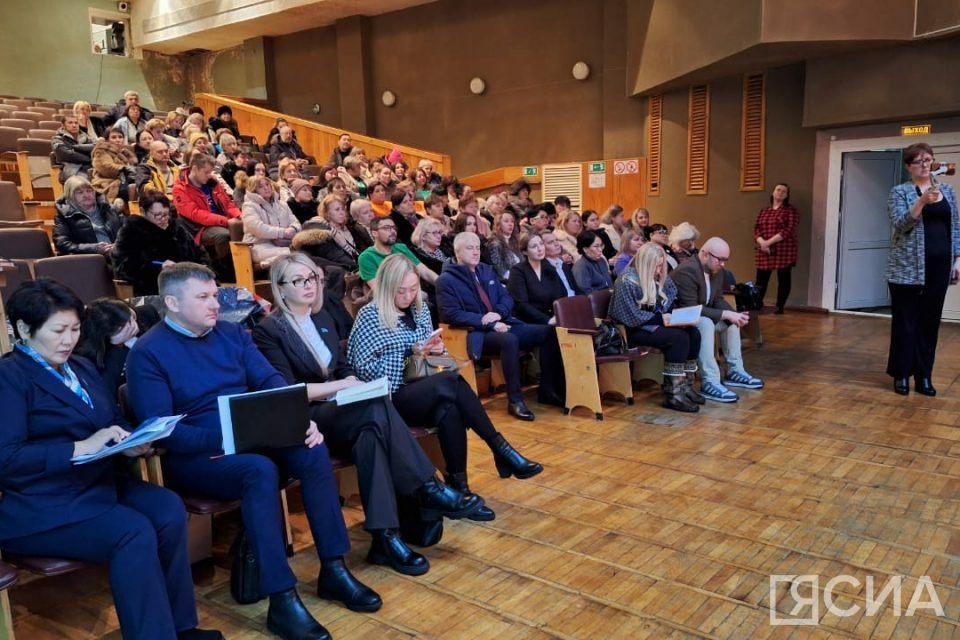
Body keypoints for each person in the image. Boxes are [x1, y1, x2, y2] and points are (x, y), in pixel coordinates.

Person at [126, 263, 378, 639]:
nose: (216, 304)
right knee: (258, 471)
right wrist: (234, 436)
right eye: (204, 297)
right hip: (198, 454)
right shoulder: (148, 353)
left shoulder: (231, 333)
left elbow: (269, 381)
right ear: (173, 303)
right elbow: (166, 432)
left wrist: (296, 419)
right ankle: (282, 597)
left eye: (215, 295)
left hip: (254, 433)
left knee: (312, 449)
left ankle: (334, 568)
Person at [0, 279, 222, 640]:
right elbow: (6, 457)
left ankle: (181, 627)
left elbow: (111, 420)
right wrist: (81, 447)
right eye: (58, 331)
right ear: (25, 329)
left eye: (75, 329)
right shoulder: (8, 377)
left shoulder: (81, 367)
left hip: (96, 483)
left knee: (167, 508)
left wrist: (130, 440)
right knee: (131, 532)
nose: (69, 340)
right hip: (42, 504)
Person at [252, 254, 484, 573]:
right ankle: (427, 487)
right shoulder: (270, 330)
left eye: (312, 278)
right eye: (298, 280)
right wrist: (343, 386)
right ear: (280, 288)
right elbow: (287, 391)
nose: (309, 285)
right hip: (308, 417)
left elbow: (344, 366)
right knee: (375, 406)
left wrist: (357, 384)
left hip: (345, 409)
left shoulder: (323, 316)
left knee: (371, 435)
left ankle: (385, 538)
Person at [347, 254, 542, 516]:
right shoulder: (370, 315)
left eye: (413, 288)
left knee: (450, 409)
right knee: (450, 382)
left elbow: (433, 362)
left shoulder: (420, 310)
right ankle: (500, 449)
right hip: (388, 399)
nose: (407, 296)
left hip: (422, 387)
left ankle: (461, 491)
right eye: (400, 291)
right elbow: (364, 371)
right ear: (385, 287)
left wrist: (436, 351)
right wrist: (413, 353)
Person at [436, 232, 565, 420]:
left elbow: (506, 297)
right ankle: (515, 401)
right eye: (470, 248)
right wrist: (487, 321)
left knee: (548, 332)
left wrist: (498, 314)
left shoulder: (486, 270)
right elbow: (451, 314)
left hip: (503, 323)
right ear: (457, 251)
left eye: (477, 248)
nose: (476, 252)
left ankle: (547, 390)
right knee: (509, 340)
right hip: (476, 333)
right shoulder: (446, 280)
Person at [886, 142, 960, 396]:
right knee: (906, 323)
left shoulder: (947, 190)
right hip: (906, 268)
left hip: (939, 266)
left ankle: (924, 375)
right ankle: (901, 374)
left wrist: (957, 258)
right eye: (918, 161)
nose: (924, 165)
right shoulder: (899, 192)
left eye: (928, 159)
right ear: (909, 166)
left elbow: (955, 226)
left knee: (929, 322)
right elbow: (901, 224)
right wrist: (921, 201)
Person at [609, 243, 702, 413]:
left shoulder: (659, 277)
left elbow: (668, 305)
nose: (659, 270)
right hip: (633, 330)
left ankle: (686, 386)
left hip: (655, 324)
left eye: (661, 265)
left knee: (693, 333)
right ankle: (673, 394)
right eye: (656, 266)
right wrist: (662, 319)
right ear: (645, 264)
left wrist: (678, 318)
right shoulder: (627, 280)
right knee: (678, 338)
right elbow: (628, 316)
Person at [672, 237, 764, 403]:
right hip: (679, 318)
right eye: (720, 259)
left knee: (731, 321)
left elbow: (717, 299)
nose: (723, 264)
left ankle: (735, 371)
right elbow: (691, 308)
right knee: (706, 323)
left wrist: (734, 315)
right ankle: (710, 381)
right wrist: (726, 314)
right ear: (705, 254)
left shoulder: (716, 270)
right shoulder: (687, 271)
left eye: (725, 260)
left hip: (698, 315)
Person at [113, 191, 211, 295]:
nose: (163, 219)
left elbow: (199, 253)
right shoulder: (131, 231)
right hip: (154, 289)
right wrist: (159, 269)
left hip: (188, 284)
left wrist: (199, 268)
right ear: (143, 211)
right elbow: (123, 268)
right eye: (157, 215)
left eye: (166, 214)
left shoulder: (176, 228)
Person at [172, 153, 242, 282]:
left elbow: (228, 203)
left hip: (220, 221)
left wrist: (239, 215)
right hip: (198, 228)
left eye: (211, 172)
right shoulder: (180, 188)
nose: (210, 175)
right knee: (224, 235)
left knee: (244, 227)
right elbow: (195, 214)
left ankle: (243, 267)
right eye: (206, 172)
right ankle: (223, 268)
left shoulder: (212, 182)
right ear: (194, 168)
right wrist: (226, 221)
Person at [507, 231, 580, 325]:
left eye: (541, 244)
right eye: (534, 246)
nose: (540, 249)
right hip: (530, 321)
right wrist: (547, 320)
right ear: (525, 251)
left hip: (553, 317)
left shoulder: (549, 267)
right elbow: (521, 304)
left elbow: (561, 294)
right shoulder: (518, 271)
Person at [75, 297, 139, 400]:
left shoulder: (146, 314)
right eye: (121, 328)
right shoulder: (95, 358)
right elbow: (107, 395)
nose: (132, 325)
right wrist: (118, 347)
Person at [754, 183, 800, 314]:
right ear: (773, 192)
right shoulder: (764, 211)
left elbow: (789, 230)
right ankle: (756, 305)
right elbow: (757, 229)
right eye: (778, 190)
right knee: (761, 280)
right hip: (764, 249)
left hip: (784, 250)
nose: (780, 192)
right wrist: (762, 243)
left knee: (784, 279)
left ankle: (780, 307)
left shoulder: (790, 211)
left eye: (784, 191)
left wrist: (768, 242)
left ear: (787, 196)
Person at [358, 216, 437, 290]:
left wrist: (442, 284)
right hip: (393, 297)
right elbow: (378, 289)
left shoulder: (401, 247)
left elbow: (424, 272)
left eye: (394, 228)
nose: (393, 231)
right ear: (374, 233)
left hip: (415, 290)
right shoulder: (367, 257)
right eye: (386, 228)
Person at [241, 174, 301, 269]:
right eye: (260, 186)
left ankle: (271, 261)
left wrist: (293, 229)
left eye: (267, 184)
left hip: (283, 243)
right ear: (253, 190)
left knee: (304, 251)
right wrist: (283, 232)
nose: (266, 188)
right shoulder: (249, 206)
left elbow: (295, 222)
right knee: (293, 253)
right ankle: (273, 261)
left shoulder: (282, 204)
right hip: (258, 246)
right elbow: (257, 228)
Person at [54, 175, 122, 258]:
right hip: (89, 259)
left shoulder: (109, 208)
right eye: (80, 192)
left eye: (89, 191)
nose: (86, 195)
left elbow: (129, 232)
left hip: (118, 256)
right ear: (70, 196)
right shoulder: (64, 215)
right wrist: (94, 248)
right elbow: (61, 243)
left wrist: (118, 246)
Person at [92, 127, 137, 203]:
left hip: (124, 181)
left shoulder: (124, 153)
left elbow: (134, 166)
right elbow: (106, 167)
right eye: (114, 137)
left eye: (120, 137)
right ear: (107, 140)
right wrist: (124, 168)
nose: (118, 140)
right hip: (108, 183)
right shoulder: (101, 151)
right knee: (133, 188)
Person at [51, 114, 95, 182]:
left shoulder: (87, 138)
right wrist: (89, 159)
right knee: (85, 182)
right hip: (73, 171)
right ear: (63, 125)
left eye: (76, 123)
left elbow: (95, 150)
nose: (74, 125)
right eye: (70, 123)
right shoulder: (57, 139)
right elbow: (67, 155)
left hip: (92, 168)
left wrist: (75, 150)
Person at [486, 209, 523, 282]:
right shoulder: (495, 243)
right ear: (498, 224)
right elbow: (500, 269)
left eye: (512, 221)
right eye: (506, 221)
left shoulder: (514, 241)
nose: (510, 224)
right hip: (507, 281)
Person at [543, 230, 579, 295]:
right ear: (541, 247)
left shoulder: (564, 265)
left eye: (556, 240)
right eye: (550, 242)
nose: (557, 244)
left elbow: (576, 289)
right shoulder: (543, 269)